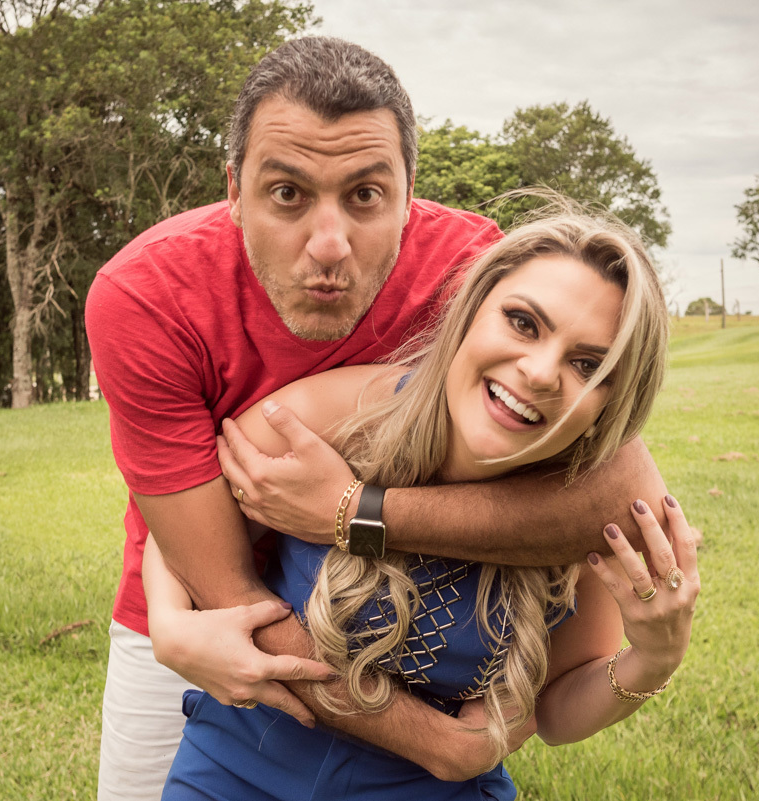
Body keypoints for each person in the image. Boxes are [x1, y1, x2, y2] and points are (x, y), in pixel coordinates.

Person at [85, 36, 667, 800]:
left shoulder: (472, 273)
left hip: (399, 606)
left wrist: (352, 515)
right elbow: (225, 585)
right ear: (234, 187)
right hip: (195, 596)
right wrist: (444, 744)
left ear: (409, 191)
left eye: (365, 195)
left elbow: (611, 491)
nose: (329, 247)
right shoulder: (145, 295)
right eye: (287, 193)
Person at [147, 206, 698, 800]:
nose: (540, 373)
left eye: (589, 365)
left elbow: (557, 711)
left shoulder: (582, 522)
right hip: (233, 768)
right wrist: (171, 620)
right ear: (470, 311)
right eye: (522, 323)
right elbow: (191, 507)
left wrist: (653, 658)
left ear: (612, 403)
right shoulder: (350, 413)